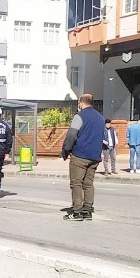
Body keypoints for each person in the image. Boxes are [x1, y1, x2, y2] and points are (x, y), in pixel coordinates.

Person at [60, 93, 105, 221]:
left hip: (80, 155)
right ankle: (88, 210)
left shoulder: (79, 116)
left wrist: (66, 150)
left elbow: (71, 135)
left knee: (76, 183)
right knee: (88, 184)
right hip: (95, 156)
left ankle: (77, 211)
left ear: (81, 102)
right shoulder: (101, 118)